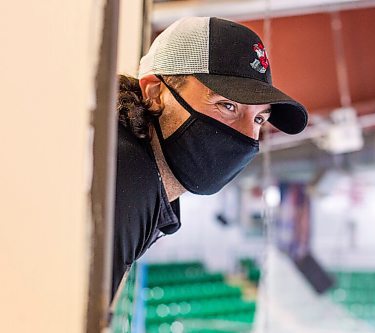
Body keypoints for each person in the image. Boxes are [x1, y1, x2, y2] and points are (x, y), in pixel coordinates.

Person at [113, 16, 308, 298]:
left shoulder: (142, 181)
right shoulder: (128, 183)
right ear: (155, 92)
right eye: (227, 105)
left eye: (259, 119)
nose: (247, 136)